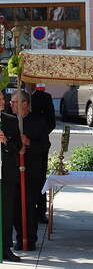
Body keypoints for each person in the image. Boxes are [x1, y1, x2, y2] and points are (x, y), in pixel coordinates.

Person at [12, 91, 49, 251]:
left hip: (31, 171)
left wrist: (28, 142)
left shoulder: (38, 121)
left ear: (25, 104)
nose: (11, 104)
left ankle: (30, 239)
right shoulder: (9, 120)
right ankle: (20, 237)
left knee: (28, 207)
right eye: (11, 102)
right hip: (13, 170)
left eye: (15, 102)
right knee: (15, 207)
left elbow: (44, 146)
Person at [0, 91, 22, 262]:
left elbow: (18, 147)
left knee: (6, 214)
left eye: (2, 98)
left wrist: (6, 141)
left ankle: (5, 248)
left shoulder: (10, 120)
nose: (3, 101)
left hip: (6, 175)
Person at [31, 83, 56, 224]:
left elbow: (51, 122)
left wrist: (38, 135)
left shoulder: (45, 97)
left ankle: (40, 212)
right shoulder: (16, 96)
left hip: (40, 145)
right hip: (21, 145)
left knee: (40, 177)